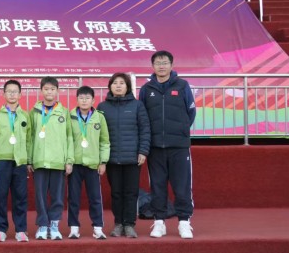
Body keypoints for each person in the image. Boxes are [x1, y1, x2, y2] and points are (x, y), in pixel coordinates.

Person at [138, 51, 196, 239]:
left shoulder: (182, 85)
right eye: (158, 63)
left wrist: (180, 131)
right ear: (152, 66)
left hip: (179, 146)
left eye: (165, 62)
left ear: (171, 65)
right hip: (155, 147)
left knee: (182, 185)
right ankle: (159, 222)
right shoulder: (146, 89)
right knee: (157, 186)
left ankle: (184, 223)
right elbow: (142, 117)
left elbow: (191, 112)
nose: (161, 66)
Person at [97, 73, 150, 238]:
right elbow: (97, 133)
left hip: (132, 158)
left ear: (127, 87)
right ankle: (118, 223)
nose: (118, 86)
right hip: (111, 158)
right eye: (115, 83)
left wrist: (143, 151)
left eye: (122, 83)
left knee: (131, 193)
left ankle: (129, 224)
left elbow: (145, 129)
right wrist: (100, 157)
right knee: (116, 193)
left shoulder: (137, 105)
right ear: (110, 87)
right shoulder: (102, 107)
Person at [29, 76, 73, 241]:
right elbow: (30, 137)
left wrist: (69, 160)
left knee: (57, 195)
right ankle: (42, 225)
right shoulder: (34, 112)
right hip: (39, 160)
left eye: (52, 89)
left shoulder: (64, 112)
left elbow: (69, 137)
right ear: (41, 90)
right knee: (40, 195)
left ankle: (54, 224)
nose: (49, 92)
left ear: (58, 91)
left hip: (58, 161)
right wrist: (29, 160)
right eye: (46, 89)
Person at [68, 86, 110, 240]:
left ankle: (98, 228)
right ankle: (74, 228)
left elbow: (104, 141)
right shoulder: (70, 117)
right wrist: (68, 161)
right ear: (77, 100)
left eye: (87, 98)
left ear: (93, 100)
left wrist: (103, 161)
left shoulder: (99, 117)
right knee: (73, 197)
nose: (84, 101)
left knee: (95, 198)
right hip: (75, 163)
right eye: (81, 98)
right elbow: (67, 140)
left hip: (93, 164)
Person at [0, 80, 32, 242]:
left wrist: (28, 160)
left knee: (20, 196)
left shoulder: (25, 115)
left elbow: (29, 139)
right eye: (9, 91)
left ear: (20, 95)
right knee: (1, 196)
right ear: (3, 94)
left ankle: (20, 229)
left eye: (15, 91)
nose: (12, 94)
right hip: (2, 159)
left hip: (20, 161)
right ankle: (1, 229)